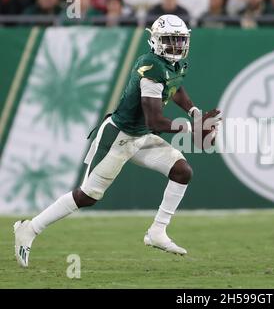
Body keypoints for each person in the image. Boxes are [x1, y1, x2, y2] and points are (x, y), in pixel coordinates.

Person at [13, 14, 221, 267]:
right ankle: (30, 229)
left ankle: (157, 231)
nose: (176, 46)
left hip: (142, 136)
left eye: (180, 40)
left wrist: (195, 113)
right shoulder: (150, 66)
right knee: (88, 196)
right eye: (170, 40)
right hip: (119, 136)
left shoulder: (175, 66)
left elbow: (175, 88)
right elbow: (155, 120)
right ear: (155, 41)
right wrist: (192, 129)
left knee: (182, 171)